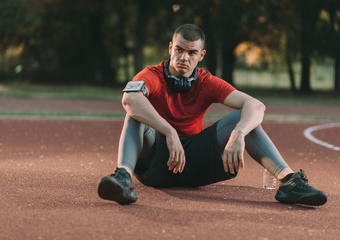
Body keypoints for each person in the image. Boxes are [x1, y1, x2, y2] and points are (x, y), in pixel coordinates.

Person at [97, 24, 327, 206]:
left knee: (245, 119)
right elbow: (130, 99)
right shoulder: (152, 75)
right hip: (155, 165)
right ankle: (123, 179)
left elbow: (256, 105)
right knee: (134, 115)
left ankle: (288, 182)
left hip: (195, 165)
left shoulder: (206, 82)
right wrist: (168, 131)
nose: (183, 58)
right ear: (170, 48)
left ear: (201, 55)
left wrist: (239, 133)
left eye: (191, 52)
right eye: (179, 50)